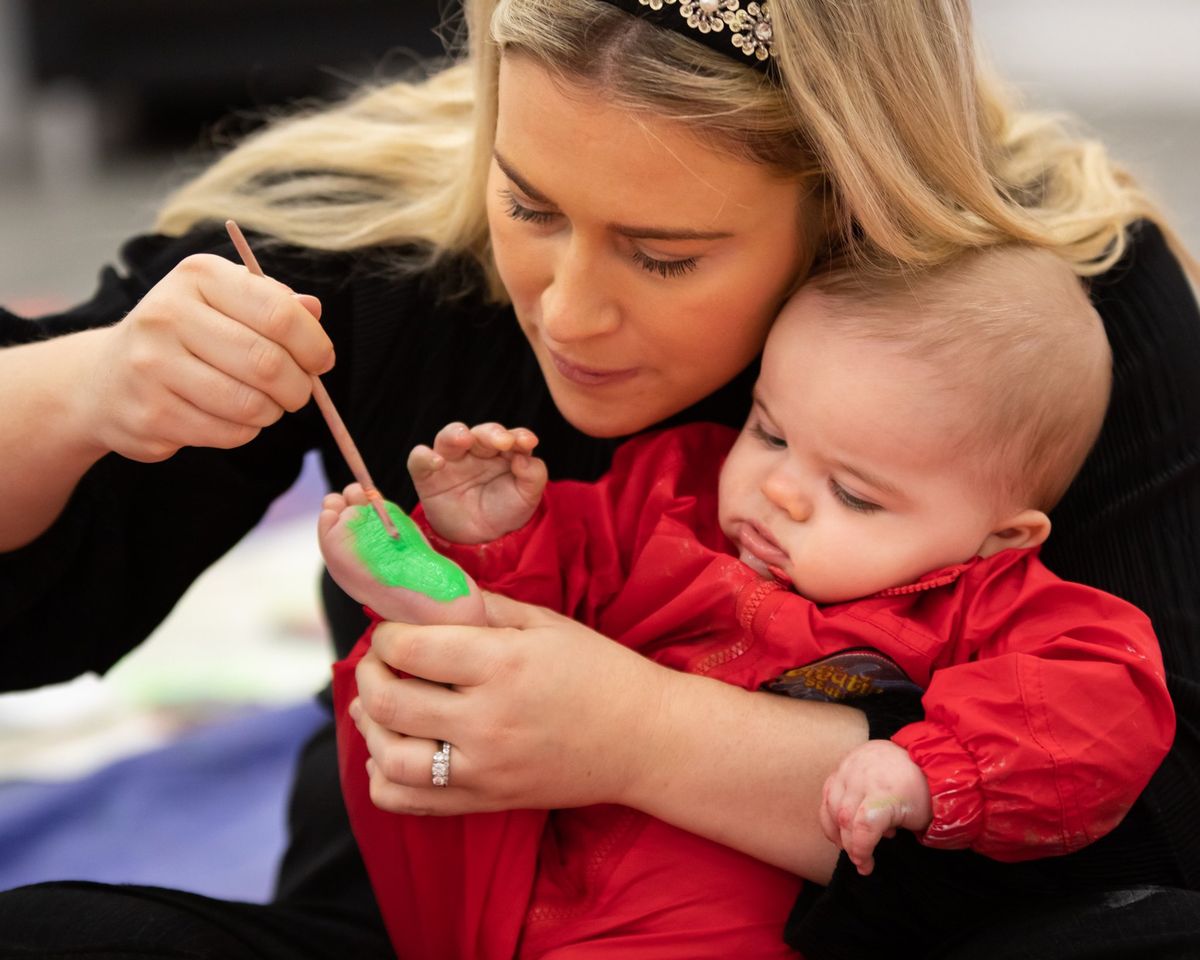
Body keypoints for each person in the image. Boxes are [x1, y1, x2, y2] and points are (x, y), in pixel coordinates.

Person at [0, 0, 1198, 957]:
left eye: (664, 256)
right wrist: (80, 388)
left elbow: (1162, 808)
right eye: (526, 203)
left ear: (849, 207)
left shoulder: (1045, 327)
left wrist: (638, 736)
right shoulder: (371, 242)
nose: (566, 311)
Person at [318, 245, 1174, 958]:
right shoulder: (675, 494)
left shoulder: (984, 606)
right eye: (769, 431)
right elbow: (571, 577)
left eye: (857, 495)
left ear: (1001, 536)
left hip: (700, 933)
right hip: (510, 881)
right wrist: (502, 535)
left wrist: (929, 768)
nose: (781, 493)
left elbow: (1105, 702)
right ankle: (440, 589)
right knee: (426, 692)